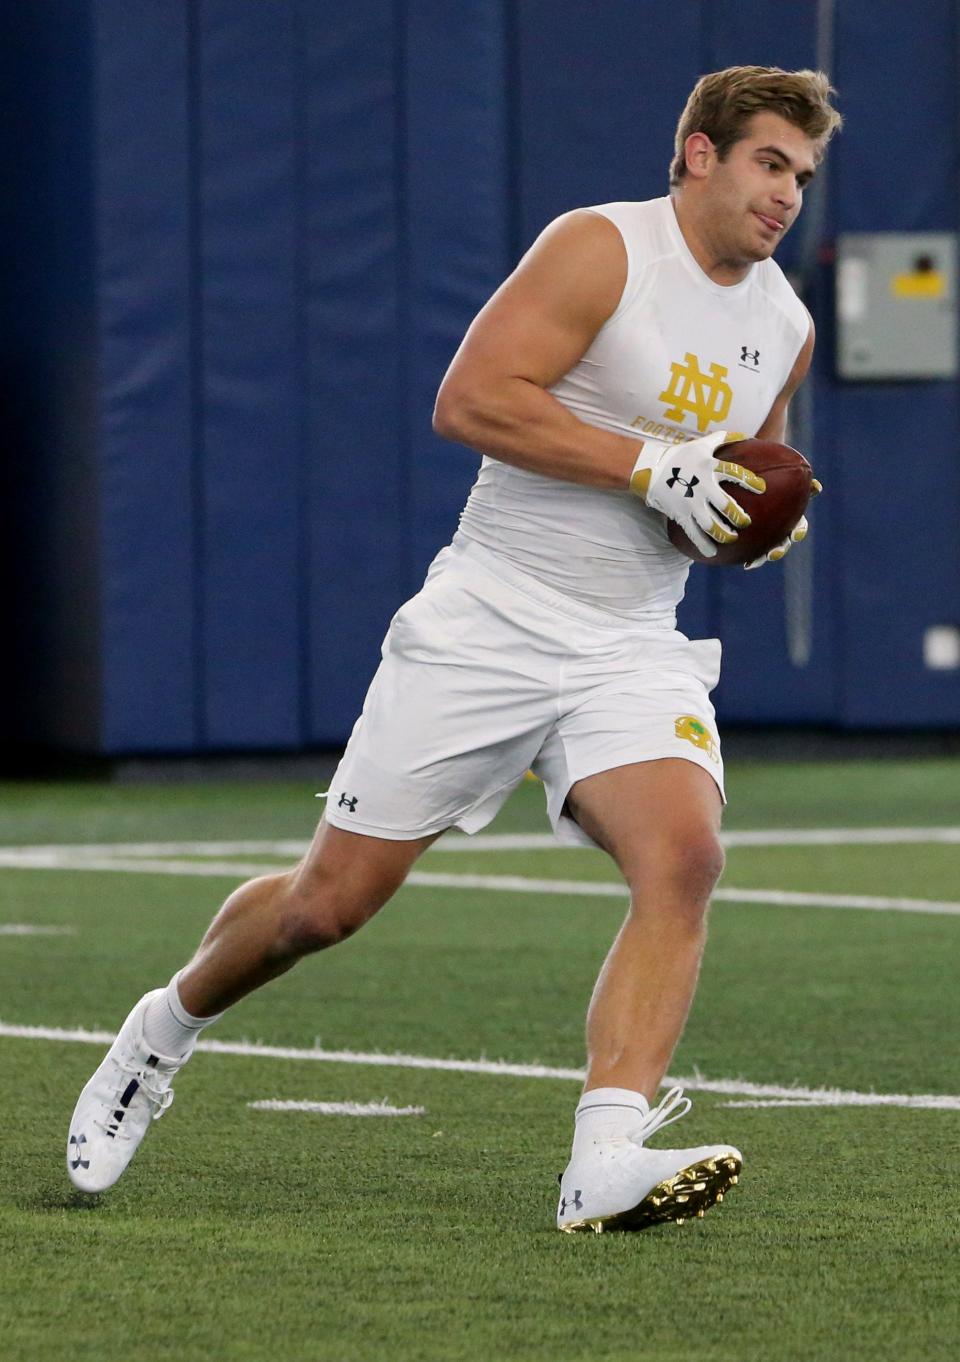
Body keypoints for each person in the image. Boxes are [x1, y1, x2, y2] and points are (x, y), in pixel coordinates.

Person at [67, 66, 841, 1233]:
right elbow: (471, 399)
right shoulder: (601, 249)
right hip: (493, 617)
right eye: (769, 163)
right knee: (326, 907)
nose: (787, 195)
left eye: (803, 176)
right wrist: (648, 465)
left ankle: (605, 1158)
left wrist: (745, 535)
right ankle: (160, 1030)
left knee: (684, 857)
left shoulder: (783, 322)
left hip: (630, 640)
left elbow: (733, 487)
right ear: (698, 153)